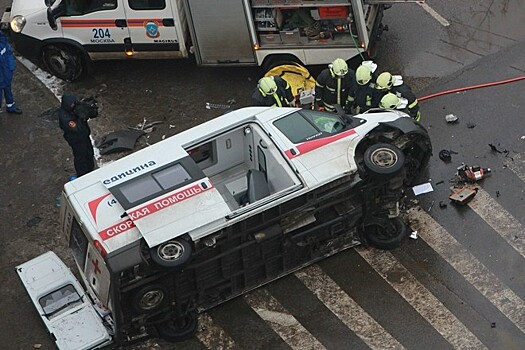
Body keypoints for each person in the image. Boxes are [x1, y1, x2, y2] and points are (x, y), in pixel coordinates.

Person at [58, 93, 98, 177]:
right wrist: (81, 118)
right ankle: (82, 176)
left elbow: (93, 113)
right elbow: (77, 129)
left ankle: (91, 171)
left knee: (89, 153)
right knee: (81, 158)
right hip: (76, 140)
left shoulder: (75, 106)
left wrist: (89, 109)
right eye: (71, 104)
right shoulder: (64, 116)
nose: (73, 105)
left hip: (84, 136)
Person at [0, 31, 22, 114]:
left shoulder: (2, 39)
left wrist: (11, 66)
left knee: (8, 90)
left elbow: (8, 53)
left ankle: (11, 106)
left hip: (6, 72)